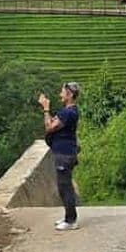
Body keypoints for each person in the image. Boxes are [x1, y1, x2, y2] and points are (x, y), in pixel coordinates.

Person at [39, 82, 81, 231]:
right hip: (64, 152)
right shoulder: (69, 111)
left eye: (62, 92)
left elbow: (49, 127)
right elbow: (52, 124)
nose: (60, 94)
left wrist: (46, 109)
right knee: (64, 186)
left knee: (65, 187)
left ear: (69, 94)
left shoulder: (68, 113)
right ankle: (68, 216)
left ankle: (71, 220)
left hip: (64, 153)